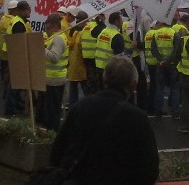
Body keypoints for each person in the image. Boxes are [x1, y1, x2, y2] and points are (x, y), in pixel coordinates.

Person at [48, 56, 159, 185]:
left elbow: (56, 154)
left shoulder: (79, 107)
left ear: (103, 79)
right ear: (134, 85)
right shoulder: (137, 119)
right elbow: (149, 170)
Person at [40, 13, 68, 130]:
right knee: (50, 108)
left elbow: (54, 57)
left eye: (48, 28)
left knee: (52, 109)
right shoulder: (54, 37)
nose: (46, 31)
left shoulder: (58, 38)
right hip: (51, 78)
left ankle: (52, 132)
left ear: (55, 26)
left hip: (55, 79)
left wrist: (42, 48)